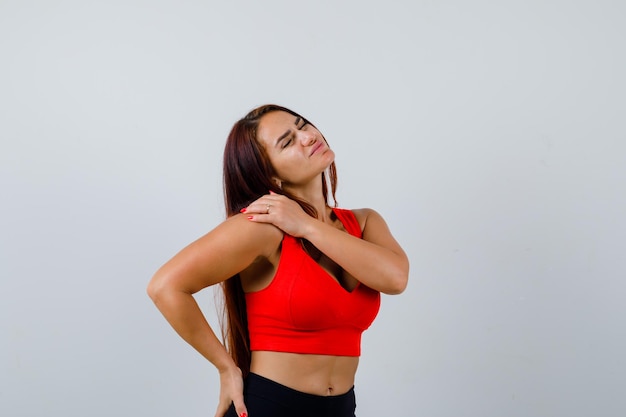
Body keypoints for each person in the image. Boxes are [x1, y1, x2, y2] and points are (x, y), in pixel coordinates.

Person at [147, 104, 409, 417]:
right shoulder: (263, 227)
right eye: (287, 141)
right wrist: (225, 367)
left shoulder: (364, 223)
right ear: (269, 173)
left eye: (303, 125)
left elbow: (395, 279)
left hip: (341, 408)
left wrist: (307, 225)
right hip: (269, 407)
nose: (308, 137)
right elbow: (165, 286)